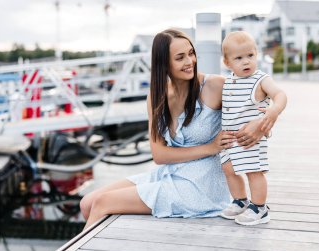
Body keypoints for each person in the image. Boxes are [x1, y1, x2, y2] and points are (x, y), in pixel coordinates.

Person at [80, 29, 267, 230]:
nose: (190, 61)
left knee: (102, 203)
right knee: (87, 202)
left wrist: (262, 123)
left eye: (191, 53)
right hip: (170, 172)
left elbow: (258, 103)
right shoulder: (156, 97)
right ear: (164, 64)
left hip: (202, 185)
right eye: (180, 58)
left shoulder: (214, 86)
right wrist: (211, 146)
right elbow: (159, 155)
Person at [219, 31, 287, 225]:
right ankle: (240, 201)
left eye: (250, 55)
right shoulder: (229, 82)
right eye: (238, 58)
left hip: (251, 139)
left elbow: (280, 94)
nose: (246, 62)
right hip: (230, 139)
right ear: (227, 62)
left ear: (256, 54)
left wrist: (273, 111)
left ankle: (260, 207)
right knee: (229, 168)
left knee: (253, 171)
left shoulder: (260, 79)